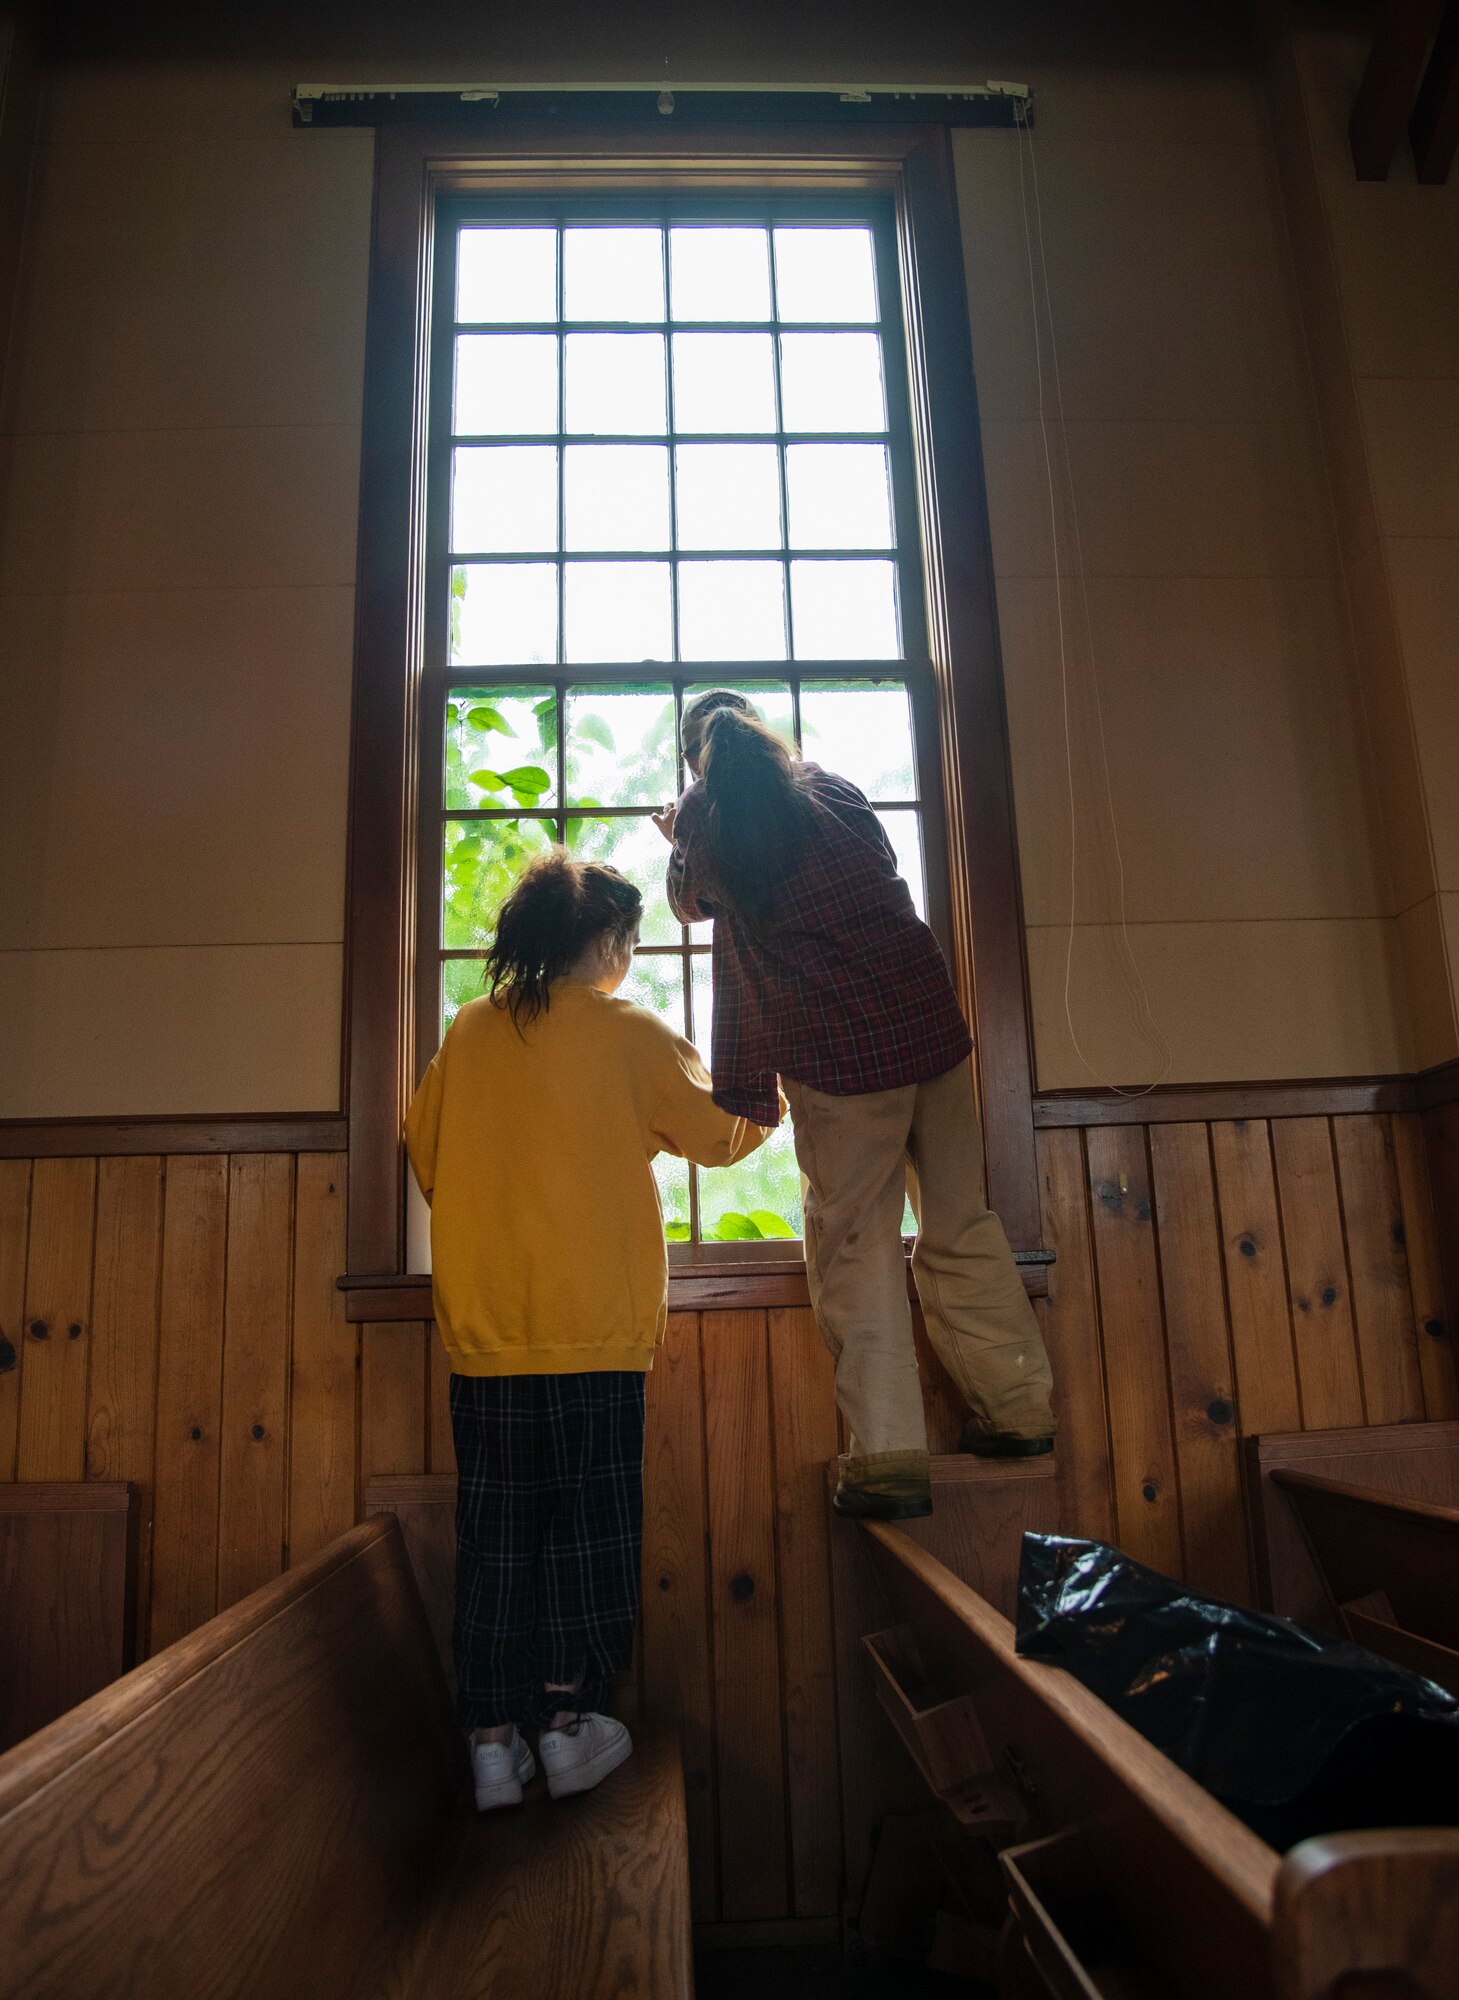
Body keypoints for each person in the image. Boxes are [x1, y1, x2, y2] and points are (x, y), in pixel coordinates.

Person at [405, 848, 770, 1811]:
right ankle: (569, 1725)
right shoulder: (628, 1032)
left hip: (485, 1339)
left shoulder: (470, 1032)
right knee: (590, 1533)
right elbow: (720, 1136)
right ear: (607, 940)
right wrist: (768, 1093)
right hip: (597, 1336)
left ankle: (490, 1740)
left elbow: (427, 1157)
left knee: (496, 1538)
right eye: (631, 940)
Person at [654, 690, 1055, 1523]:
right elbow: (873, 869)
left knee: (855, 1249)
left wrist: (675, 833)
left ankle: (888, 1461)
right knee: (960, 1225)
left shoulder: (705, 814)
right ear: (764, 738)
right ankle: (1019, 1416)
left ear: (697, 760)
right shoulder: (830, 789)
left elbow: (689, 905)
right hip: (924, 1026)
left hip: (839, 1058)